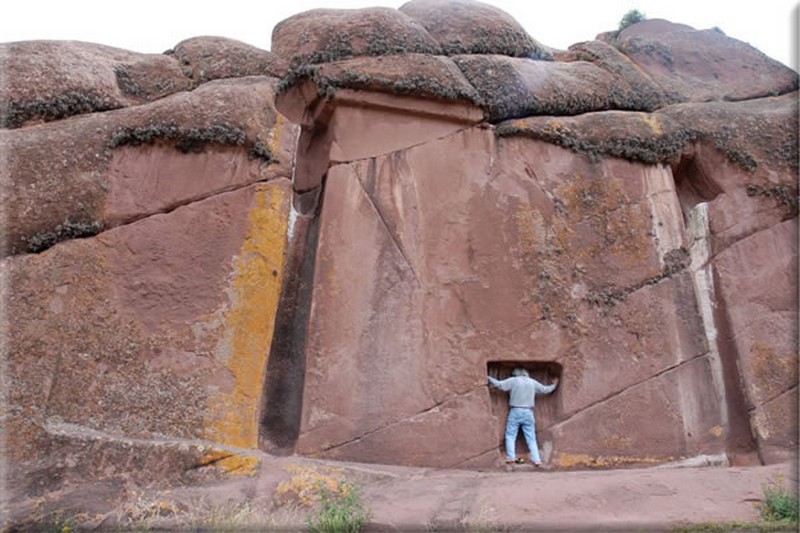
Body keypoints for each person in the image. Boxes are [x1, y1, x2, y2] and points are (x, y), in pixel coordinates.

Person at [487, 367, 558, 466]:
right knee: (531, 438)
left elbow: (500, 385)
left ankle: (511, 457)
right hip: (528, 411)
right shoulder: (532, 382)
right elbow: (545, 389)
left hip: (515, 410)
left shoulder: (513, 380)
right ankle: (536, 459)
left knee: (510, 435)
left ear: (515, 374)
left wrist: (488, 377)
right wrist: (554, 385)